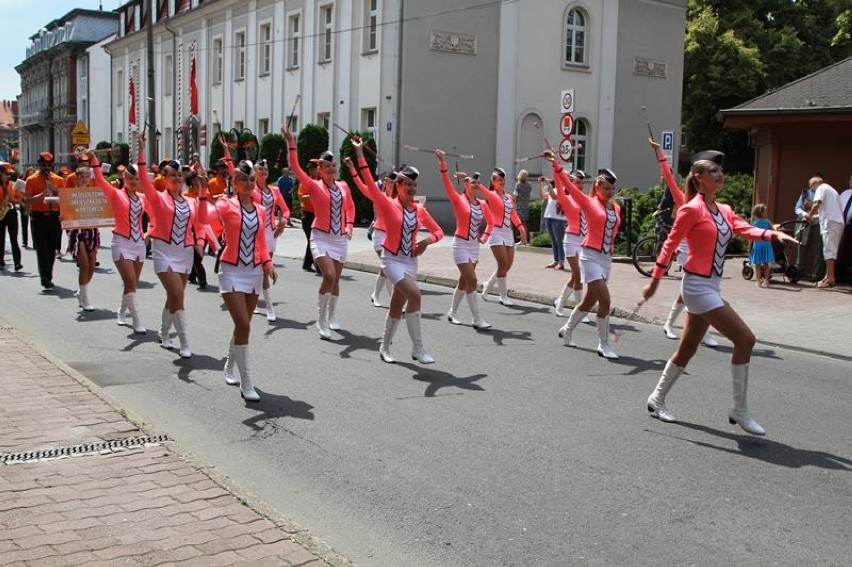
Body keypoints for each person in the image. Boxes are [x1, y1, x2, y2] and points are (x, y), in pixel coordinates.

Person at [642, 151, 798, 435]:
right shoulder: (691, 209)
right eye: (713, 171)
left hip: (712, 285)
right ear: (699, 179)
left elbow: (745, 228)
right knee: (745, 339)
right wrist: (654, 280)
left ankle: (657, 398)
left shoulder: (724, 210)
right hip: (696, 286)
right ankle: (739, 410)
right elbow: (669, 244)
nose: (719, 174)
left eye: (720, 170)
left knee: (687, 349)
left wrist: (773, 234)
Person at [349, 138, 444, 363]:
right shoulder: (386, 203)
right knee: (416, 295)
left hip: (410, 262)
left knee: (396, 307)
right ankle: (418, 348)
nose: (411, 189)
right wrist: (361, 154)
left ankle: (383, 347)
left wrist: (426, 242)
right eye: (407, 185)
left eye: (414, 185)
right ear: (398, 185)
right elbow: (369, 184)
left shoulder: (419, 210)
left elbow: (439, 231)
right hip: (391, 260)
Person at [137, 133, 209, 358]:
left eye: (180, 175)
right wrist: (141, 150)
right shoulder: (158, 198)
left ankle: (164, 332)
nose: (177, 178)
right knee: (178, 296)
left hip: (184, 253)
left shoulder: (190, 201)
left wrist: (204, 192)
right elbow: (143, 178)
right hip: (164, 252)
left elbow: (201, 223)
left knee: (175, 296)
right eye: (173, 175)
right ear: (164, 178)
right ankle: (185, 342)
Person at [213, 159, 278, 402]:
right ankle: (247, 381)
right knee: (245, 325)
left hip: (253, 272)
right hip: (230, 270)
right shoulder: (224, 204)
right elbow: (203, 218)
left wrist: (268, 265)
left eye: (252, 180)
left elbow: (261, 244)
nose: (249, 183)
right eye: (244, 179)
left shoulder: (260, 210)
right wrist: (199, 197)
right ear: (235, 182)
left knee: (243, 325)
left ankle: (230, 364)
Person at [283, 126, 356, 339]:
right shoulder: (314, 186)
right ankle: (321, 320)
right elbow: (296, 167)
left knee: (336, 279)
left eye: (333, 165)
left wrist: (349, 226)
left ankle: (332, 317)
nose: (331, 168)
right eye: (327, 166)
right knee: (329, 276)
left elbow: (350, 207)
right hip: (321, 236)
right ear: (320, 168)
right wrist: (291, 141)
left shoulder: (343, 187)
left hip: (340, 238)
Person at [547, 153, 622, 359]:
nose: (609, 191)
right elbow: (568, 187)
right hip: (589, 256)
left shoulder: (616, 208)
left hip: (606, 258)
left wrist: (611, 246)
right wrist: (556, 164)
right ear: (597, 187)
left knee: (589, 302)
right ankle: (604, 344)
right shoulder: (589, 203)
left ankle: (567, 329)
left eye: (612, 188)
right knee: (605, 301)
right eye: (605, 188)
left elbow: (613, 231)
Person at [649, 139, 719, 348]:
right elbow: (669, 178)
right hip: (688, 252)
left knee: (702, 294)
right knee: (695, 293)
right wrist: (660, 153)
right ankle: (671, 324)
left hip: (707, 255)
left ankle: (694, 328)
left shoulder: (712, 203)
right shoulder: (684, 202)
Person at [434, 150, 494, 329]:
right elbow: (446, 183)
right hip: (460, 244)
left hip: (474, 246)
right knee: (473, 280)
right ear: (465, 185)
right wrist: (443, 162)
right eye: (472, 182)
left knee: (464, 280)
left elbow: (491, 223)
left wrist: (484, 237)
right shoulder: (458, 200)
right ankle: (477, 318)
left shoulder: (482, 204)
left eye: (477, 182)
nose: (476, 185)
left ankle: (452, 312)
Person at [90, 153, 148, 333]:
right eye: (130, 178)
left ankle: (122, 312)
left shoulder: (143, 198)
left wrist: (149, 233)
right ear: (124, 178)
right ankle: (137, 320)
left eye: (136, 179)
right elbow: (99, 179)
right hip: (121, 242)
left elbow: (155, 218)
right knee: (130, 281)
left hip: (139, 243)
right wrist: (94, 160)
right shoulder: (115, 194)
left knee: (133, 284)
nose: (133, 182)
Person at [480, 167, 527, 305]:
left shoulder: (509, 198)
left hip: (508, 233)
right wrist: (474, 182)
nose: (501, 181)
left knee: (507, 265)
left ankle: (487, 285)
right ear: (493, 182)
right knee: (502, 264)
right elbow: (483, 190)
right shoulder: (491, 194)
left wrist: (521, 229)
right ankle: (503, 296)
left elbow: (513, 214)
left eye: (503, 179)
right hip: (495, 232)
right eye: (498, 179)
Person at [549, 169, 592, 322]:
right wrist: (556, 169)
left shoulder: (587, 199)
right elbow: (559, 186)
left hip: (583, 242)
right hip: (570, 240)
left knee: (576, 275)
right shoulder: (566, 198)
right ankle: (579, 309)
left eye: (582, 182)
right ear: (571, 183)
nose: (580, 185)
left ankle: (560, 301)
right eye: (577, 182)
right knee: (579, 274)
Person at [252, 158, 290, 321]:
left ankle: (256, 302)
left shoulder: (274, 191)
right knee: (261, 269)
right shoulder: (250, 189)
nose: (263, 171)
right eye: (260, 169)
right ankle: (269, 307)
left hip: (270, 233)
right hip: (255, 233)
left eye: (265, 168)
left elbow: (286, 210)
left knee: (264, 271)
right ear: (254, 172)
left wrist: (282, 222)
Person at [23, 152, 64, 289]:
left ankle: (48, 275)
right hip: (39, 216)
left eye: (49, 165)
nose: (47, 167)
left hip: (53, 216)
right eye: (44, 165)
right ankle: (45, 278)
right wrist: (41, 195)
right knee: (42, 249)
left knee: (52, 248)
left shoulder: (58, 179)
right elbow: (26, 200)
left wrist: (56, 190)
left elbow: (65, 198)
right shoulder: (31, 179)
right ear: (39, 165)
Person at [65, 167, 100, 311]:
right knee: (84, 264)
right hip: (77, 231)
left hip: (91, 231)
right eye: (82, 176)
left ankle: (81, 292)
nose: (85, 179)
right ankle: (85, 298)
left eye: (87, 176)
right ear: (77, 178)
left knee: (92, 265)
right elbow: (65, 213)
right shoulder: (70, 195)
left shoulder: (95, 193)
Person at [807, 176, 844, 288]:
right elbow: (829, 210)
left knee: (829, 251)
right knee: (830, 251)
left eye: (812, 188)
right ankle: (827, 277)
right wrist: (815, 216)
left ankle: (830, 279)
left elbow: (817, 203)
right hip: (836, 223)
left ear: (815, 184)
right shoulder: (832, 191)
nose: (812, 191)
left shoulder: (821, 188)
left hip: (830, 224)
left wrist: (809, 216)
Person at [540, 176, 567, 270]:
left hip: (559, 218)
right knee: (553, 240)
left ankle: (561, 261)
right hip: (550, 217)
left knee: (559, 241)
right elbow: (543, 196)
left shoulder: (565, 190)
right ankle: (556, 260)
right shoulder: (555, 188)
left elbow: (554, 197)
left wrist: (548, 185)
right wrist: (540, 185)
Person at [0, 163, 23, 271]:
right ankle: (1, 261)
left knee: (14, 238)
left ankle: (17, 263)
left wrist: (15, 200)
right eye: (6, 174)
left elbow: (20, 199)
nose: (8, 176)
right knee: (0, 239)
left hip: (11, 212)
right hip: (1, 213)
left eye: (9, 174)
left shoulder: (13, 185)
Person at [298, 162, 318, 273]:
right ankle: (311, 264)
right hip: (307, 214)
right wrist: (313, 195)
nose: (313, 171)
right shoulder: (305, 183)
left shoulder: (321, 182)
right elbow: (301, 198)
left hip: (318, 215)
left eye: (314, 168)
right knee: (312, 239)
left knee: (315, 240)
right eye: (311, 169)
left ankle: (311, 264)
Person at [749, 203, 775, 288]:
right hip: (766, 244)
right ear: (762, 212)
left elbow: (751, 236)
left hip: (757, 245)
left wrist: (749, 247)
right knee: (766, 264)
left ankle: (758, 281)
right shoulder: (767, 221)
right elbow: (772, 231)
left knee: (757, 264)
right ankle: (766, 281)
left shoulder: (754, 223)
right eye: (765, 211)